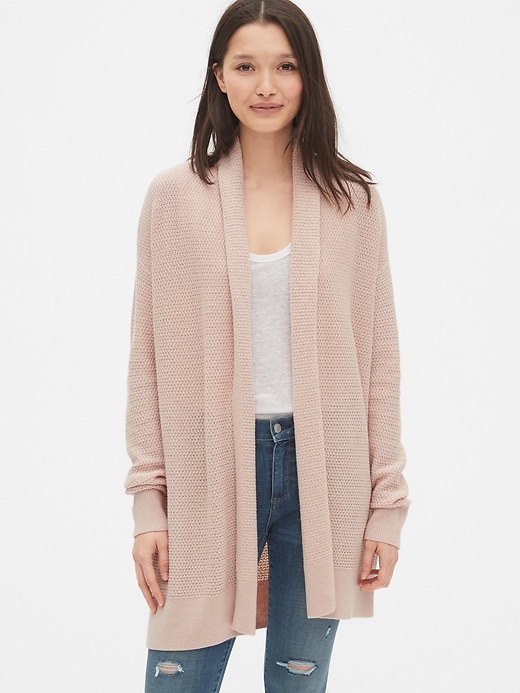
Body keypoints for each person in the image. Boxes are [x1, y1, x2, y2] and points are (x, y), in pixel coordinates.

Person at [124, 0, 410, 690]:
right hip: (206, 473)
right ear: (219, 76)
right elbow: (147, 359)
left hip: (326, 472)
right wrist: (148, 503)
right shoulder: (175, 199)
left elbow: (378, 360)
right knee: (178, 675)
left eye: (285, 66)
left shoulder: (353, 201)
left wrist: (387, 505)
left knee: (298, 680)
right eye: (246, 66)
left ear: (308, 76)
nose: (266, 85)